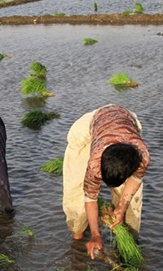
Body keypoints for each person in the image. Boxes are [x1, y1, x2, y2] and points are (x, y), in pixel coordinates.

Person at [63, 104, 150, 259]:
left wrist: (121, 207)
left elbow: (135, 180)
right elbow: (90, 197)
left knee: (131, 206)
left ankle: (126, 245)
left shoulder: (142, 156)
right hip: (88, 128)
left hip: (126, 120)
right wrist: (96, 235)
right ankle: (78, 238)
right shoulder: (95, 163)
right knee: (76, 197)